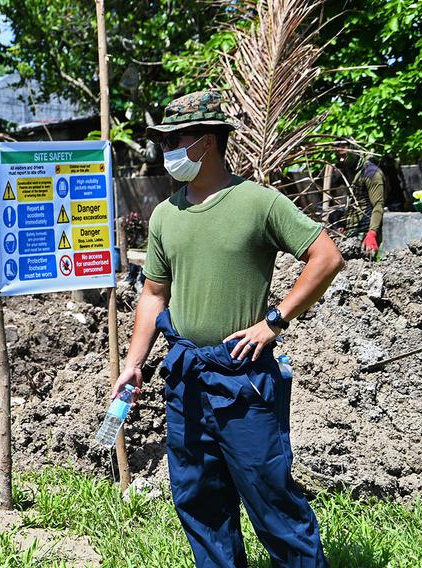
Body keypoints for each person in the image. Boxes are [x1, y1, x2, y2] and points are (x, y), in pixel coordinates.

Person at [112, 91, 344, 567]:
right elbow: (154, 296)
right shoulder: (165, 214)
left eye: (177, 139)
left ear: (208, 142)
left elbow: (327, 257)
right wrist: (133, 364)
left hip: (242, 375)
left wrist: (274, 322)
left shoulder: (257, 202)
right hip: (186, 375)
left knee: (269, 496)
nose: (168, 150)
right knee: (199, 498)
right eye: (166, 140)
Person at [335, 140, 386, 258]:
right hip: (351, 232)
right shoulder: (350, 171)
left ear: (353, 149)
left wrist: (372, 233)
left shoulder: (371, 173)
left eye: (343, 146)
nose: (339, 150)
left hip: (365, 233)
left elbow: (378, 204)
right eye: (336, 147)